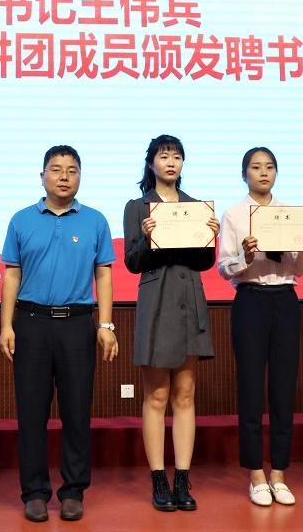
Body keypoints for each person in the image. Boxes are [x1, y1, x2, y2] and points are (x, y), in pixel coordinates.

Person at [0, 145, 118, 523]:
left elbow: (104, 274)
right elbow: (12, 275)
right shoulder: (21, 220)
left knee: (77, 411)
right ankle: (34, 492)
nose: (64, 176)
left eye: (72, 170)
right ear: (42, 176)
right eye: (56, 169)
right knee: (31, 412)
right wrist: (6, 325)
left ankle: (73, 490)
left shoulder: (95, 220)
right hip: (31, 322)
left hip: (78, 324)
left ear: (80, 177)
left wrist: (105, 325)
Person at [122, 135, 218, 512]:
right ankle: (158, 479)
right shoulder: (138, 206)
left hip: (189, 299)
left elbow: (204, 263)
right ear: (151, 163)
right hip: (157, 301)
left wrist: (209, 237)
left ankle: (182, 480)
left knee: (185, 394)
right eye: (164, 156)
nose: (171, 162)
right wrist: (148, 239)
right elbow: (132, 262)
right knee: (157, 395)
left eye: (177, 156)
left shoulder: (195, 207)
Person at [219, 147, 303, 507]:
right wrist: (244, 257)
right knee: (250, 387)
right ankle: (256, 475)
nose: (263, 172)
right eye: (256, 167)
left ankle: (279, 473)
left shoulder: (291, 215)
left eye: (270, 167)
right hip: (250, 300)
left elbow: (301, 269)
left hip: (286, 300)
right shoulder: (234, 214)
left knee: (283, 388)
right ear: (243, 174)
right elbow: (224, 268)